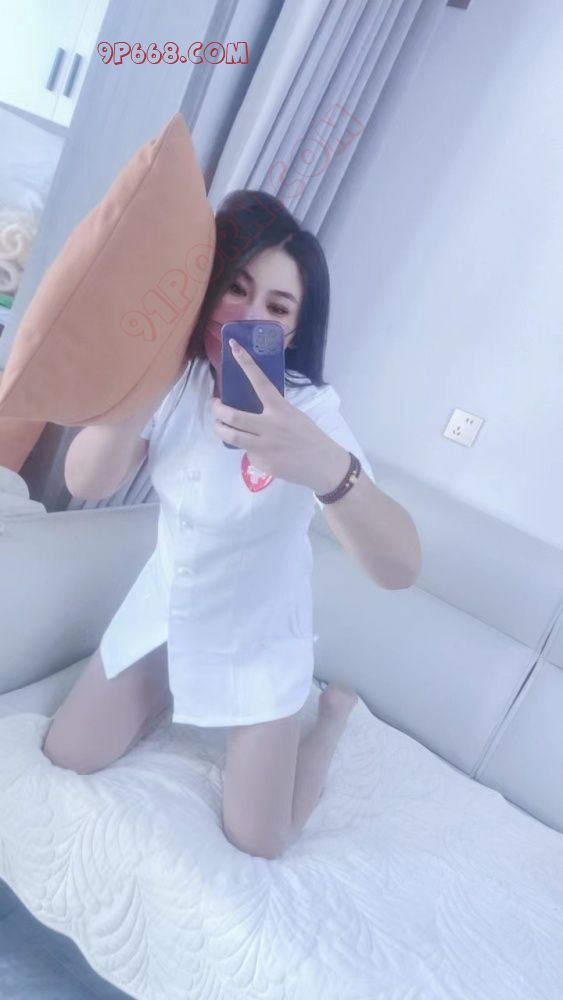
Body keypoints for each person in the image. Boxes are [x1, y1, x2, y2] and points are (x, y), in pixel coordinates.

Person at [41, 189, 405, 860]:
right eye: (235, 289)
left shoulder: (309, 413)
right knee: (69, 753)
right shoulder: (175, 381)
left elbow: (399, 566)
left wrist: (327, 467)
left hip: (257, 638)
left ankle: (326, 726)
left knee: (261, 840)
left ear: (292, 333)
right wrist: (149, 373)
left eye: (277, 307)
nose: (248, 315)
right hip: (170, 606)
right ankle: (168, 687)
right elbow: (85, 482)